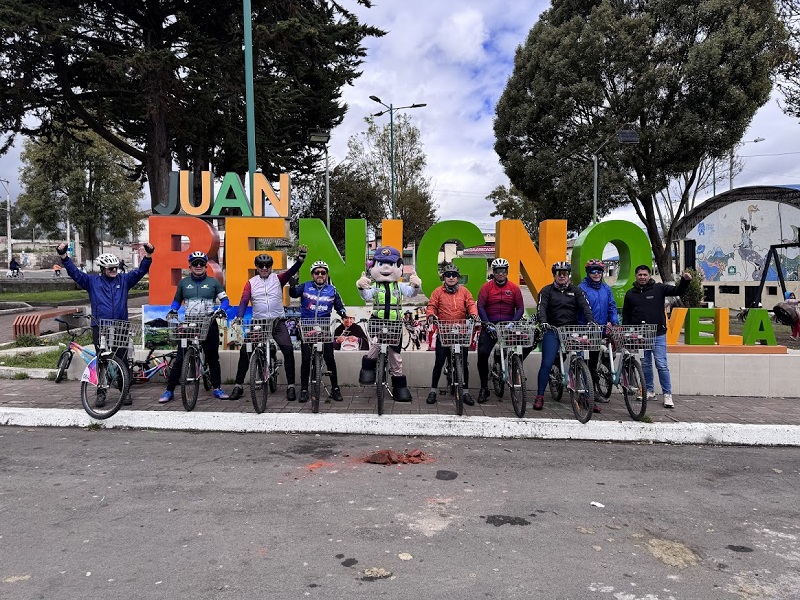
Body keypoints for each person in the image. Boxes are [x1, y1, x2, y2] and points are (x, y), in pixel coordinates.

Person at [57, 241, 154, 407]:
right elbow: (75, 274)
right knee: (101, 360)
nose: (114, 271)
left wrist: (149, 255)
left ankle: (125, 391)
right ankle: (101, 393)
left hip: (120, 326)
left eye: (116, 268)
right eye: (110, 269)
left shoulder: (124, 280)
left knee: (123, 359)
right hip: (100, 327)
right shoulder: (92, 282)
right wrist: (64, 257)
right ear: (102, 269)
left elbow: (140, 271)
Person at [228, 247, 307, 401]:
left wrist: (300, 261)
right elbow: (244, 300)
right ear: (256, 267)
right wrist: (239, 316)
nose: (264, 268)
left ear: (271, 267)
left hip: (277, 321)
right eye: (261, 266)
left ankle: (291, 386)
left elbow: (291, 272)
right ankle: (238, 386)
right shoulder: (251, 283)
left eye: (267, 266)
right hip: (259, 323)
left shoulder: (278, 279)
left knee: (288, 349)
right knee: (245, 351)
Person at [159, 251, 230, 403]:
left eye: (201, 264)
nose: (198, 266)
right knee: (180, 359)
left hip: (209, 324)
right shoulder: (184, 283)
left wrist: (222, 309)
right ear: (190, 266)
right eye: (195, 263)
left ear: (206, 266)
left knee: (212, 358)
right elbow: (177, 301)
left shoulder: (213, 282)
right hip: (189, 324)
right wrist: (173, 309)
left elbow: (225, 300)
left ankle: (217, 388)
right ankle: (169, 391)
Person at [356, 246, 421, 401]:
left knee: (395, 355)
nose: (386, 268)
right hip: (377, 322)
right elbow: (366, 296)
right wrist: (361, 286)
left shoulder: (399, 286)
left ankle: (399, 385)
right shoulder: (375, 286)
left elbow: (411, 293)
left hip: (395, 323)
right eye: (381, 264)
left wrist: (416, 285)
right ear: (374, 267)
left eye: (390, 264)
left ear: (398, 266)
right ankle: (367, 369)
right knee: (376, 345)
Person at [622, 265, 691, 409]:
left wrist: (685, 281)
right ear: (636, 276)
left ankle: (667, 395)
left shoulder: (659, 288)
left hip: (658, 334)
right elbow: (627, 316)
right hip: (640, 336)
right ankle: (649, 391)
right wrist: (626, 334)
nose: (642, 277)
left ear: (649, 276)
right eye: (640, 274)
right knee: (646, 365)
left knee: (661, 364)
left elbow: (677, 291)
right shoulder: (630, 294)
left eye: (645, 274)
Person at [535, 261, 595, 411]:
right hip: (552, 329)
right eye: (558, 273)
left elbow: (585, 306)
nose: (562, 276)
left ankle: (588, 397)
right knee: (547, 363)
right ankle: (540, 396)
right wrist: (543, 321)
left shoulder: (576, 291)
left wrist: (591, 321)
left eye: (565, 273)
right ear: (554, 275)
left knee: (580, 360)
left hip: (571, 329)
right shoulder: (546, 291)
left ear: (568, 275)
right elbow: (541, 307)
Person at [289, 260, 347, 403]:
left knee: (329, 358)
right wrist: (292, 285)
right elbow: (294, 294)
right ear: (312, 274)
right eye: (317, 272)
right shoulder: (305, 286)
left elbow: (339, 306)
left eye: (323, 272)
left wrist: (344, 314)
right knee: (306, 359)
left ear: (327, 275)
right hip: (307, 327)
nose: (320, 275)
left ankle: (335, 388)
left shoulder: (332, 290)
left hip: (324, 328)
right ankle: (304, 390)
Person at [424, 263, 479, 405]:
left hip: (461, 332)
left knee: (463, 363)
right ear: (444, 277)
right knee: (439, 361)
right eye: (448, 275)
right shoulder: (438, 292)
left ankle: (465, 392)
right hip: (444, 331)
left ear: (458, 278)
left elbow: (471, 304)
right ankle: (433, 391)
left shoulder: (465, 291)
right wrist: (430, 315)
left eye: (454, 275)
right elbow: (431, 306)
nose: (451, 277)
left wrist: (473, 314)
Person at [476, 257, 527, 404]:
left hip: (508, 324)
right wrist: (487, 323)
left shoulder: (514, 288)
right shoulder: (486, 287)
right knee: (483, 354)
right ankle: (484, 388)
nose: (500, 274)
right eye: (498, 271)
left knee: (526, 344)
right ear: (494, 272)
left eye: (503, 271)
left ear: (507, 272)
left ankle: (508, 364)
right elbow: (480, 306)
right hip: (491, 324)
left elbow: (521, 308)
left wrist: (513, 323)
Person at [577, 259, 620, 403]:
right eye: (593, 271)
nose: (596, 274)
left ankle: (593, 391)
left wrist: (614, 322)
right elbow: (580, 309)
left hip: (602, 329)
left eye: (599, 271)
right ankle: (584, 392)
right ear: (588, 273)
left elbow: (612, 306)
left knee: (594, 363)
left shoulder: (606, 288)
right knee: (585, 362)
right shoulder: (581, 288)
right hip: (586, 330)